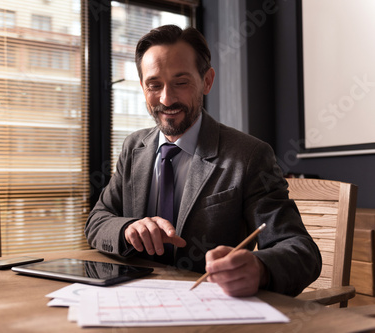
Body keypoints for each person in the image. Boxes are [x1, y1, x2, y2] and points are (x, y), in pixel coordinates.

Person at [84, 24, 321, 297]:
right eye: (154, 85)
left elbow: (303, 251)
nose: (166, 98)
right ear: (142, 87)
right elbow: (97, 221)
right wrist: (127, 229)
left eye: (181, 82)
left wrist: (260, 268)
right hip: (134, 300)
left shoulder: (250, 155)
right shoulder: (133, 147)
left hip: (208, 308)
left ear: (207, 81)